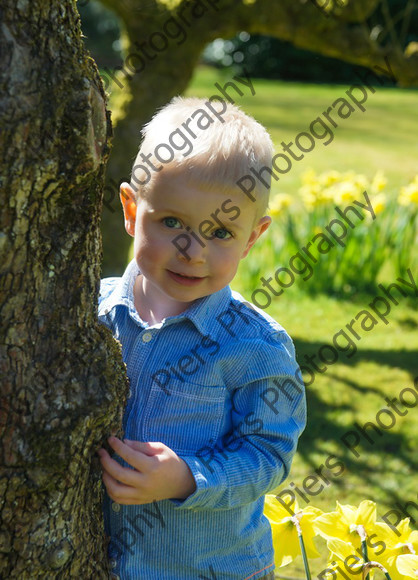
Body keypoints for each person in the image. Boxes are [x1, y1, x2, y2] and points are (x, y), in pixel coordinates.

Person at [97, 96, 306, 580]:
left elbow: (268, 453)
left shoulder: (255, 347)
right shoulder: (91, 312)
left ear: (252, 238)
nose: (193, 251)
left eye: (220, 232)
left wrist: (187, 476)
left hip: (212, 568)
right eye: (172, 223)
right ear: (132, 210)